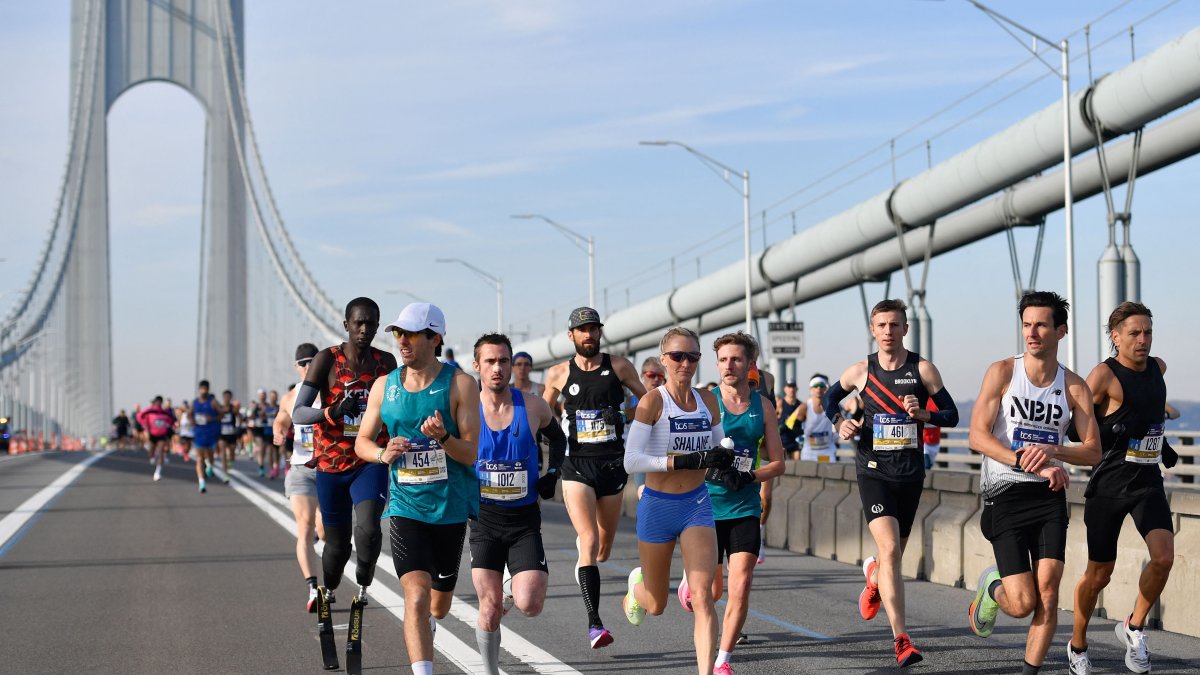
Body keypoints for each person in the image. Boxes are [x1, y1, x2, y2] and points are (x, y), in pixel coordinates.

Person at [966, 291, 1101, 675]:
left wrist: (1053, 451)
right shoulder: (1003, 372)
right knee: (1022, 603)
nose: (1032, 332)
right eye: (1027, 325)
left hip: (1048, 498)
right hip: (1003, 495)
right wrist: (1028, 459)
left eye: (1041, 325)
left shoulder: (1074, 386)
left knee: (1048, 593)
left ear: (1062, 330)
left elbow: (1093, 451)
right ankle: (992, 587)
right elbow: (977, 436)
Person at [824, 299, 959, 667]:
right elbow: (829, 398)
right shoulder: (860, 371)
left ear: (905, 329)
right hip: (873, 470)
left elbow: (951, 415)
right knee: (892, 553)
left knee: (891, 556)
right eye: (881, 325)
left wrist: (923, 414)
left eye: (894, 325)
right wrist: (840, 422)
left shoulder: (923, 370)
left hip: (909, 474)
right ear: (873, 329)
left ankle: (873, 580)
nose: (888, 331)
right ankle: (901, 639)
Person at [354, 302, 480, 675]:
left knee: (437, 605)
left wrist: (443, 438)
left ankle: (430, 623)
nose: (402, 341)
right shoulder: (384, 385)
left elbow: (471, 453)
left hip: (450, 508)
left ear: (435, 337)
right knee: (416, 596)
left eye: (410, 334)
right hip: (406, 505)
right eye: (398, 333)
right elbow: (361, 441)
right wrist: (381, 453)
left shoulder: (460, 384)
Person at [1069, 302, 1176, 675]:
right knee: (1099, 574)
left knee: (1163, 557)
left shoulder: (1158, 368)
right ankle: (1078, 644)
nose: (1143, 339)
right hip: (1110, 484)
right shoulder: (1102, 376)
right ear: (1115, 337)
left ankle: (1134, 628)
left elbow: (1150, 397)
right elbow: (1075, 423)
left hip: (1147, 481)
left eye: (1147, 332)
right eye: (1134, 333)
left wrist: (1164, 408)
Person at [620, 326, 732, 675]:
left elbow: (719, 445)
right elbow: (631, 460)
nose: (685, 363)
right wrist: (677, 461)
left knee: (704, 596)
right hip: (657, 506)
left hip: (696, 505)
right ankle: (636, 590)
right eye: (678, 356)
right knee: (656, 604)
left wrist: (723, 457)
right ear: (664, 359)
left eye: (693, 357)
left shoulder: (708, 400)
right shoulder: (653, 402)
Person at [541, 307, 647, 648]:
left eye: (594, 329)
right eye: (582, 330)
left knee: (602, 550)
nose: (589, 335)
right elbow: (541, 416)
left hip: (612, 466)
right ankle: (595, 624)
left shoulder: (618, 367)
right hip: (577, 466)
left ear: (600, 333)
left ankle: (630, 587)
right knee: (587, 541)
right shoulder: (558, 373)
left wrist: (625, 413)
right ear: (570, 336)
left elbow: (648, 402)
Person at [685, 331, 785, 675]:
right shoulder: (703, 402)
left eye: (737, 359)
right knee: (711, 592)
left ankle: (723, 660)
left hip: (744, 506)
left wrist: (749, 477)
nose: (729, 365)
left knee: (740, 583)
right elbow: (683, 450)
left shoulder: (764, 407)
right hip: (705, 505)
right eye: (724, 360)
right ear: (717, 364)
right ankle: (691, 583)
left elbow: (778, 463)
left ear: (749, 364)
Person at [290, 297, 397, 617]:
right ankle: (329, 587)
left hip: (369, 460)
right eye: (359, 323)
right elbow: (299, 413)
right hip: (332, 463)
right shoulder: (326, 360)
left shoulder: (386, 363)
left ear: (378, 326)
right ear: (346, 325)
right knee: (336, 547)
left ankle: (364, 580)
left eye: (371, 323)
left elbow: (398, 405)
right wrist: (332, 411)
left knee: (368, 530)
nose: (365, 329)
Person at [468, 333, 567, 675]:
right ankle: (490, 670)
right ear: (477, 366)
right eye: (490, 361)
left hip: (524, 520)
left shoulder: (534, 405)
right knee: (490, 606)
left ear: (512, 365)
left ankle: (514, 588)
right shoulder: (465, 410)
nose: (498, 368)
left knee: (530, 604)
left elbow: (559, 438)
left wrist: (552, 473)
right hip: (483, 520)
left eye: (504, 361)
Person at [273, 343, 327, 613]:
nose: (307, 367)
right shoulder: (291, 396)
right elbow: (281, 418)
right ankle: (313, 587)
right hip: (300, 468)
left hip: (329, 468)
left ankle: (325, 575)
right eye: (303, 363)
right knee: (305, 525)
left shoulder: (330, 389)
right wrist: (279, 431)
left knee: (324, 530)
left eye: (312, 361)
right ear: (296, 367)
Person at [793, 374, 837, 463]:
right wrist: (802, 436)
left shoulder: (832, 406)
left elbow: (840, 424)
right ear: (811, 388)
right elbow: (793, 426)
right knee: (808, 476)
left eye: (821, 386)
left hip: (827, 451)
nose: (818, 389)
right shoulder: (804, 407)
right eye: (815, 386)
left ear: (826, 388)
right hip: (809, 453)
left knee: (830, 475)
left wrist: (836, 435)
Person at [137, 397, 176, 481]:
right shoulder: (149, 411)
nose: (158, 404)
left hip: (162, 435)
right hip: (152, 435)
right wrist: (144, 424)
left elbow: (172, 419)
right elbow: (140, 416)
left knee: (161, 451)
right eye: (157, 402)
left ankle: (157, 472)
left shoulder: (164, 412)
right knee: (152, 451)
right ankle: (152, 457)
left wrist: (171, 425)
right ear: (154, 402)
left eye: (160, 402)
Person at [191, 380, 221, 493]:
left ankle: (210, 466)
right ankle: (201, 483)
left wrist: (212, 419)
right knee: (199, 458)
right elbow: (189, 414)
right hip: (199, 433)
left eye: (205, 389)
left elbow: (221, 414)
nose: (203, 391)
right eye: (201, 389)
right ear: (199, 390)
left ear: (208, 390)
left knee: (209, 455)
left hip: (211, 433)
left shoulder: (213, 402)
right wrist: (192, 420)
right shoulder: (195, 403)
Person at [217, 390, 239, 483]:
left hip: (232, 434)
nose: (226, 399)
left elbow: (238, 414)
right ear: (223, 398)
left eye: (228, 397)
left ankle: (230, 462)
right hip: (222, 434)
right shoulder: (220, 408)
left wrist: (237, 409)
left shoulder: (233, 408)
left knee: (232, 454)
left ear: (230, 398)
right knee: (223, 453)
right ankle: (225, 474)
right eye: (225, 397)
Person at [776, 381, 802, 460]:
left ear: (796, 389)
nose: (791, 389)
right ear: (785, 389)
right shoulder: (780, 404)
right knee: (783, 468)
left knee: (797, 466)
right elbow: (772, 420)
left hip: (795, 442)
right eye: (789, 387)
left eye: (793, 387)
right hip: (782, 442)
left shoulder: (800, 405)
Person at [922, 400, 943, 470]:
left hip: (935, 442)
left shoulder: (938, 400)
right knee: (926, 466)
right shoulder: (921, 400)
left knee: (929, 466)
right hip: (923, 442)